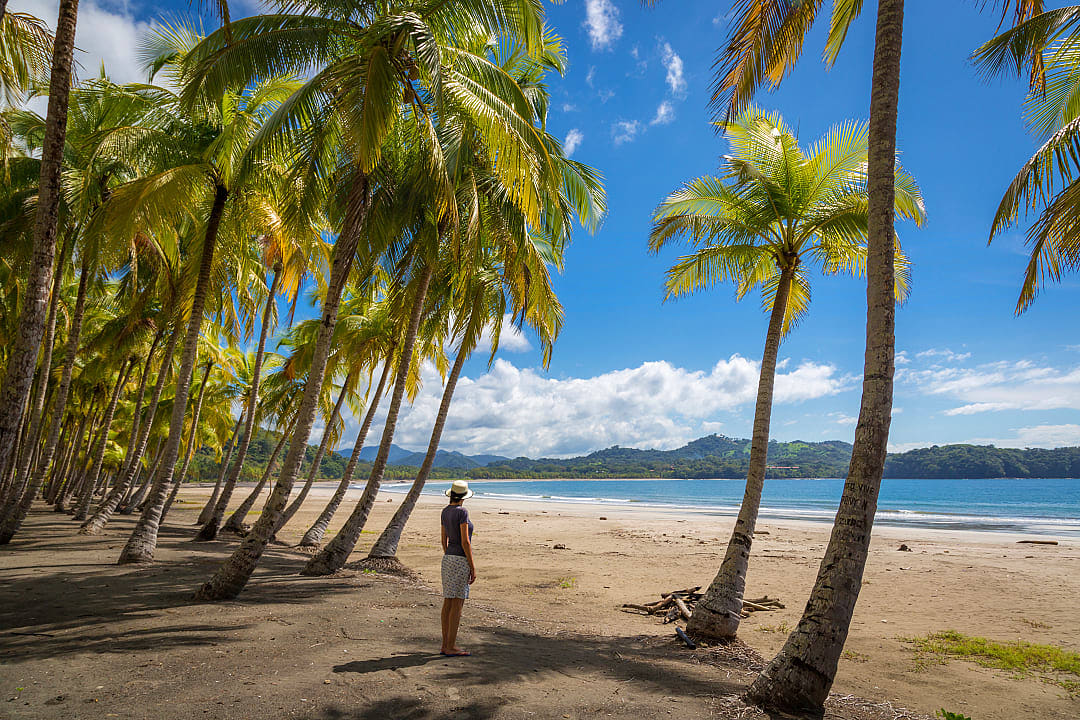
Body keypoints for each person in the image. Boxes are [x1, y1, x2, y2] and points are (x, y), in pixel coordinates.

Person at [440, 479, 475, 657]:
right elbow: (465, 541)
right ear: (463, 496)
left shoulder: (445, 512)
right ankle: (451, 646)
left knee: (448, 602)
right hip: (460, 558)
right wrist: (472, 566)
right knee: (458, 603)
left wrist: (449, 554)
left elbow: (443, 540)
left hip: (448, 559)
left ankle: (445, 644)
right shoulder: (462, 512)